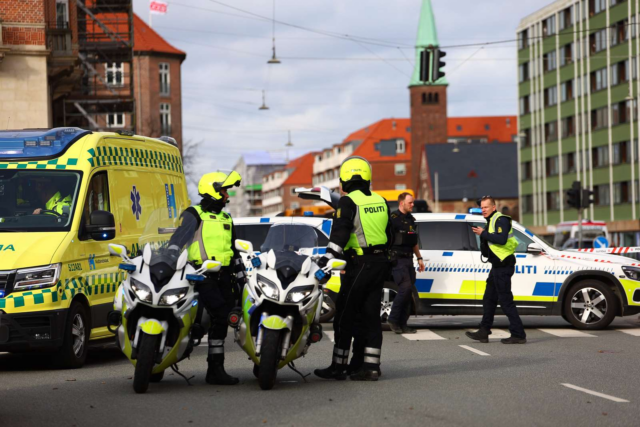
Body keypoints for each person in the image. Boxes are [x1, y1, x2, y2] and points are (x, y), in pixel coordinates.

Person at [314, 156, 390, 381]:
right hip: (379, 264)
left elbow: (339, 235)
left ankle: (338, 367)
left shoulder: (347, 202)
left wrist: (325, 261)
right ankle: (369, 366)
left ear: (346, 179)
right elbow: (390, 233)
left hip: (359, 265)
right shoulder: (381, 200)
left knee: (345, 317)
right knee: (371, 318)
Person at [168, 170, 246, 384]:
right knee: (218, 317)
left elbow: (233, 250)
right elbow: (177, 241)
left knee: (229, 318)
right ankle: (214, 370)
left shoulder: (226, 217)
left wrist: (242, 279)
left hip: (224, 278)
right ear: (212, 191)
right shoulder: (194, 214)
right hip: (200, 277)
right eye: (223, 191)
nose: (227, 196)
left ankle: (216, 369)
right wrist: (168, 261)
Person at [466, 196, 526, 344]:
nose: (483, 210)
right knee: (489, 299)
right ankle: (484, 331)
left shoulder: (501, 220)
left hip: (504, 265)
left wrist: (483, 234)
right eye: (482, 207)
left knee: (506, 301)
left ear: (494, 207)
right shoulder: (490, 222)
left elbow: (502, 239)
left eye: (486, 207)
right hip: (497, 266)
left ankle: (518, 334)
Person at [387, 192, 425, 334]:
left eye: (413, 202)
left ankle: (403, 324)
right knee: (405, 288)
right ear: (401, 203)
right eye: (410, 202)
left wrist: (419, 258)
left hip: (409, 259)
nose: (413, 205)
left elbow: (413, 242)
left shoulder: (411, 219)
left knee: (408, 292)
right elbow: (386, 240)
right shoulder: (393, 219)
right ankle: (393, 319)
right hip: (398, 260)